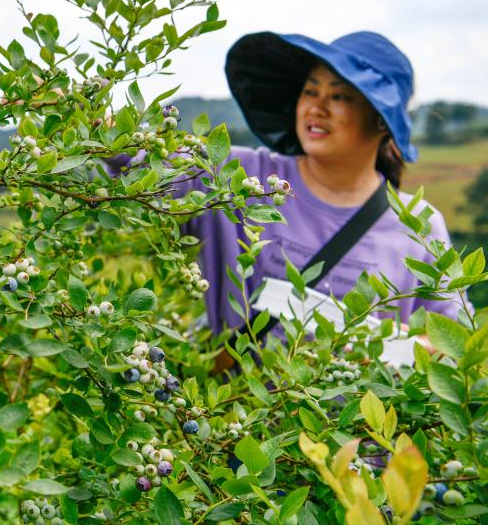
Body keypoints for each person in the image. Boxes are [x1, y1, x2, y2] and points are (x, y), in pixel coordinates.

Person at [106, 31, 466, 343]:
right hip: (231, 417)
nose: (316, 107)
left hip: (362, 424)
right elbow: (135, 155)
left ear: (382, 120)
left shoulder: (417, 225)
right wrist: (85, 116)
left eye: (339, 97)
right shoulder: (241, 177)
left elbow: (450, 342)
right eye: (310, 91)